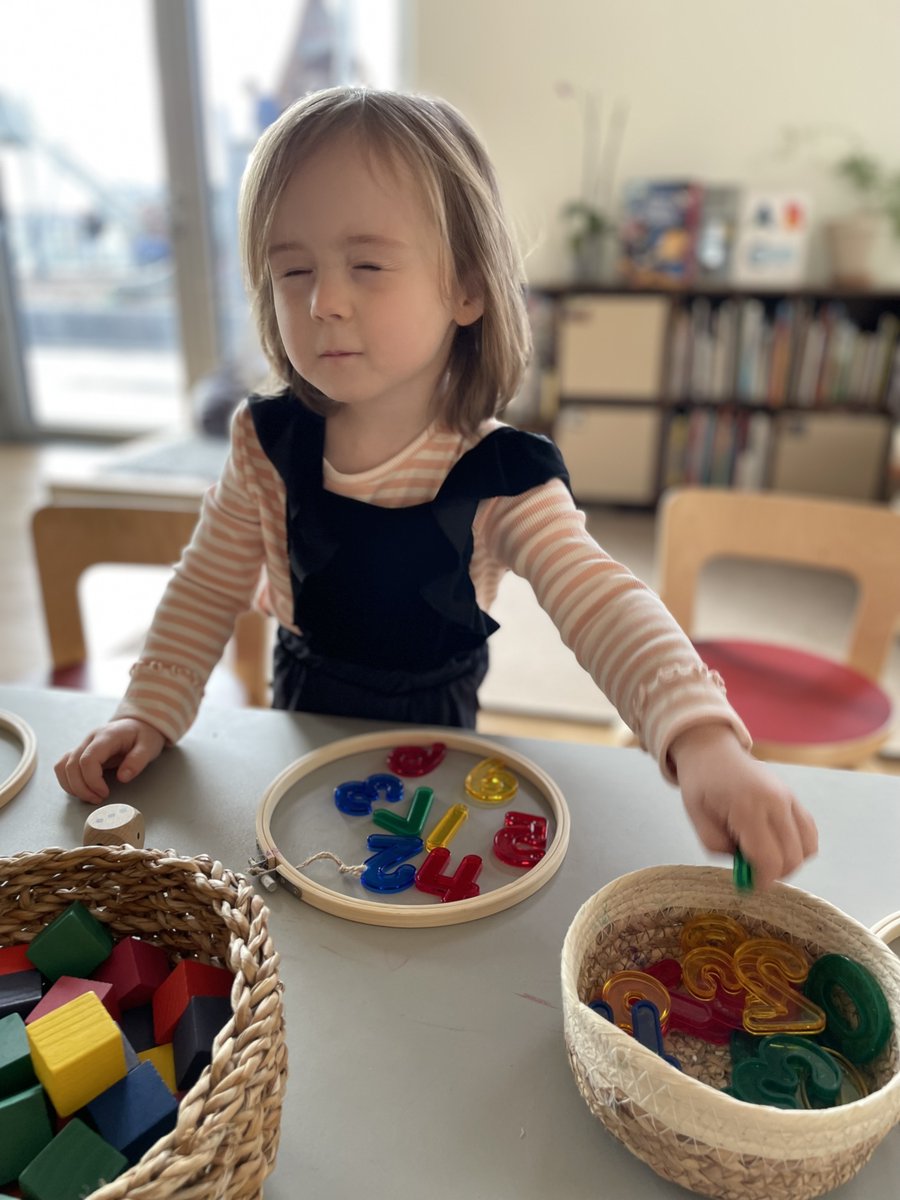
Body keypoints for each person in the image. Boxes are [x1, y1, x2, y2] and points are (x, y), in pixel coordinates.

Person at [55, 86, 817, 889]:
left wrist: (701, 738)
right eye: (293, 270)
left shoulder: (505, 475)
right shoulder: (264, 441)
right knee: (301, 895)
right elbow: (206, 584)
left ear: (467, 287)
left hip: (439, 737)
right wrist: (148, 708)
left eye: (368, 265)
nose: (324, 302)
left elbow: (601, 600)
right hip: (303, 714)